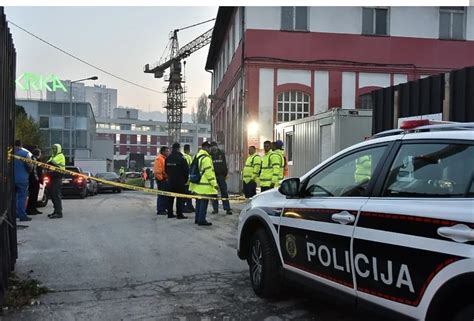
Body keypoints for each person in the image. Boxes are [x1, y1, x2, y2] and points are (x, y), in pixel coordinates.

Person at [189, 141, 218, 226]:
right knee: (204, 203)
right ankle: (202, 220)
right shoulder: (206, 158)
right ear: (205, 148)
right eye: (209, 148)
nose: (210, 149)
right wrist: (214, 184)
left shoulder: (196, 156)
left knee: (198, 202)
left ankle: (197, 219)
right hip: (204, 186)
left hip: (197, 185)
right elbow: (209, 173)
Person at [165, 142, 189, 219]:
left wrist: (170, 176)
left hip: (170, 181)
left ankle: (170, 213)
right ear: (179, 148)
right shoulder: (181, 158)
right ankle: (179, 214)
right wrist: (185, 180)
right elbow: (186, 170)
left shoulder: (168, 158)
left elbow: (166, 170)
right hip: (180, 181)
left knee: (170, 198)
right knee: (179, 198)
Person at [210, 142, 232, 215]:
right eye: (212, 146)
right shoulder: (210, 155)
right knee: (214, 193)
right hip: (213, 176)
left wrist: (225, 174)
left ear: (217, 146)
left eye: (214, 146)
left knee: (224, 192)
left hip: (221, 176)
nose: (213, 148)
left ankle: (227, 208)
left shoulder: (221, 154)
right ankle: (215, 209)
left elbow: (225, 164)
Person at [14, 140, 33, 222]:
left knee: (13, 197)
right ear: (21, 145)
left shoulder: (9, 153)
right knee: (22, 197)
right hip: (22, 179)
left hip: (11, 179)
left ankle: (14, 214)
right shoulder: (25, 154)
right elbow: (29, 166)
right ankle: (22, 215)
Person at [47, 143, 66, 219]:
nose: (53, 150)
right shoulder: (53, 156)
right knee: (53, 195)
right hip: (53, 177)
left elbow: (51, 163)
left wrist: (49, 164)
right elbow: (47, 163)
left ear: (58, 149)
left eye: (55, 148)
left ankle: (59, 212)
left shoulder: (60, 156)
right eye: (52, 148)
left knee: (56, 195)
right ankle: (55, 211)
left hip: (57, 177)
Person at [154, 146, 170, 215]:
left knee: (164, 195)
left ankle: (163, 208)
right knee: (161, 195)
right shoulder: (159, 159)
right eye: (167, 151)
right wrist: (162, 179)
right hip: (161, 180)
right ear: (163, 152)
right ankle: (160, 210)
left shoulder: (164, 159)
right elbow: (158, 171)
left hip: (164, 179)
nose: (168, 152)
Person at [26, 148, 43, 216]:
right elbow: (35, 171)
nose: (41, 154)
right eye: (40, 153)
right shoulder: (35, 160)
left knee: (34, 195)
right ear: (38, 154)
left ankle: (34, 209)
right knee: (33, 195)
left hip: (33, 180)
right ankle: (30, 210)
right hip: (34, 181)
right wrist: (38, 180)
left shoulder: (33, 159)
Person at [182, 144, 194, 212]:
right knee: (187, 194)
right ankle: (187, 207)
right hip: (188, 180)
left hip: (183, 179)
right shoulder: (189, 157)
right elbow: (191, 168)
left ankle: (189, 206)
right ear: (189, 150)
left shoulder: (182, 157)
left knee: (186, 194)